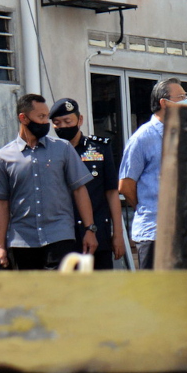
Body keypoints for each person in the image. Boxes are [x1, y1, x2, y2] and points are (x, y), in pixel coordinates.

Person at [0, 94, 98, 270]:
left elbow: (79, 190)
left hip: (60, 236)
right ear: (23, 118)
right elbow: (0, 203)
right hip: (22, 241)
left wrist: (89, 229)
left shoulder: (63, 149)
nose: (47, 122)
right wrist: (0, 247)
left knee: (58, 293)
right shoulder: (3, 157)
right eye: (41, 117)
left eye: (47, 116)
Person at [119, 77, 187, 269]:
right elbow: (126, 184)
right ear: (164, 103)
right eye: (181, 97)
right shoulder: (143, 138)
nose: (185, 101)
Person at [49, 97, 125, 270]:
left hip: (98, 232)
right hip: (64, 235)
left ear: (80, 120)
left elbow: (112, 193)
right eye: (57, 123)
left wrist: (118, 234)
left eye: (68, 121)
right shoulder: (51, 153)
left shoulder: (99, 148)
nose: (63, 127)